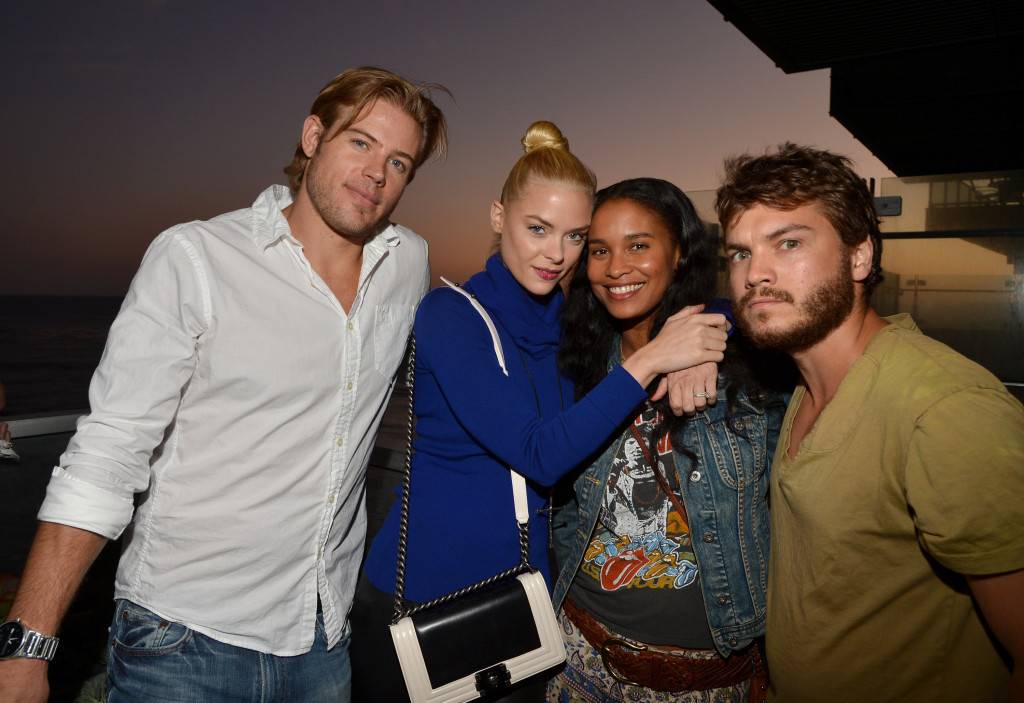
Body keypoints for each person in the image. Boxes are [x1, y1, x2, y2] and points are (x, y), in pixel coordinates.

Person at [0, 66, 448, 703]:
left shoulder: (406, 263)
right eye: (360, 142)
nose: (377, 172)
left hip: (322, 642)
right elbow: (108, 452)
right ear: (313, 136)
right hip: (182, 642)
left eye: (399, 162)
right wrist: (29, 642)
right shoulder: (196, 259)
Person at [353, 123, 731, 702]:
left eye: (576, 237)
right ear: (498, 216)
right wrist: (658, 358)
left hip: (525, 597)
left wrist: (704, 335)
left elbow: (712, 300)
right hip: (428, 596)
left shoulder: (572, 322)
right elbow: (539, 454)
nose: (556, 254)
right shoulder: (451, 315)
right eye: (538, 228)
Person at [718, 143, 1024, 703]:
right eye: (740, 253)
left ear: (859, 257)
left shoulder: (945, 409)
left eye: (789, 243)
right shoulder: (805, 385)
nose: (755, 273)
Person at [547, 178, 785, 703]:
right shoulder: (579, 365)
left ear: (679, 253)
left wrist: (715, 326)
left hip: (710, 679)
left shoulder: (746, 369)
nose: (616, 268)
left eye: (638, 245)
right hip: (580, 658)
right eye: (599, 250)